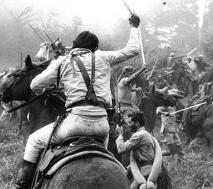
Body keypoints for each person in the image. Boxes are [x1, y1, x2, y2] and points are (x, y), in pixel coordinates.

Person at [15, 14, 141, 189]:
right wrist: (134, 26)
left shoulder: (64, 61)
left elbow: (35, 85)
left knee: (34, 141)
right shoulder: (104, 57)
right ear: (95, 48)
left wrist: (47, 86)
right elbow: (133, 49)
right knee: (105, 152)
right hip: (102, 127)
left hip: (74, 124)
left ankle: (21, 185)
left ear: (75, 45)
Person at [116, 111, 156, 189]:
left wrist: (120, 134)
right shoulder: (147, 134)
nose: (129, 125)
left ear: (137, 123)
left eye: (131, 122)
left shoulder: (138, 135)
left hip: (144, 170)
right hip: (149, 168)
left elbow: (121, 149)